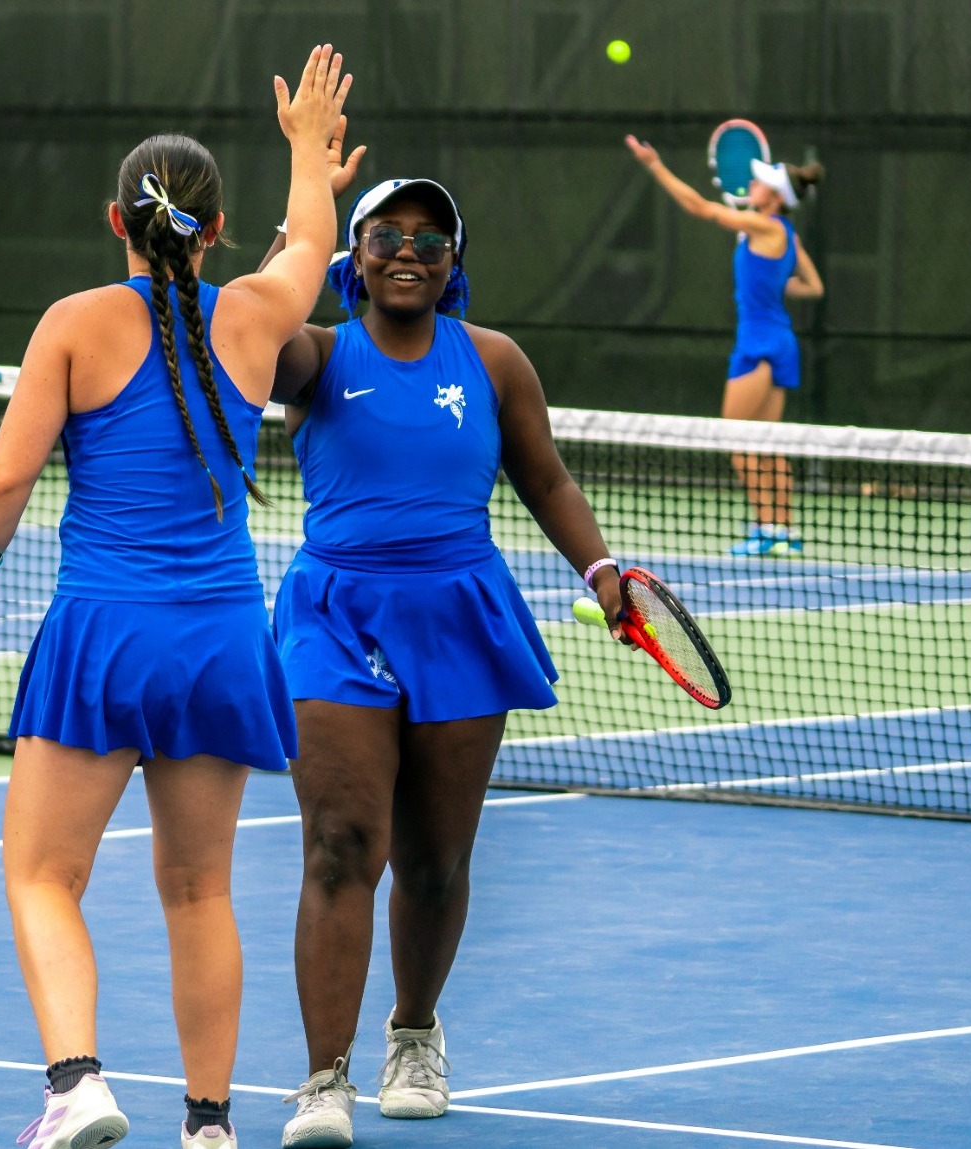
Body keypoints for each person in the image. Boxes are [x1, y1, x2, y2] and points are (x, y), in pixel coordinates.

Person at [0, 46, 353, 1149]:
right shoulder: (260, 316)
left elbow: (5, 484)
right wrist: (308, 148)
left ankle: (76, 1084)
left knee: (38, 873)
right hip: (218, 644)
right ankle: (208, 1127)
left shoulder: (73, 323)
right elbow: (312, 238)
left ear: (114, 220)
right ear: (214, 233)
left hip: (103, 639)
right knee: (197, 892)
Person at [259, 173, 630, 1147]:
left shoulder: (495, 363)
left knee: (434, 858)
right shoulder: (315, 355)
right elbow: (251, 334)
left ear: (453, 259)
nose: (408, 254)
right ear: (352, 255)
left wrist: (599, 571)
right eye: (386, 235)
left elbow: (543, 476)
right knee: (342, 842)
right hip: (333, 615)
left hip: (460, 614)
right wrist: (302, 199)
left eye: (430, 239)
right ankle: (323, 1079)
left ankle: (413, 1034)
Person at [627, 135, 824, 556]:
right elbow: (814, 286)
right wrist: (768, 287)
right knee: (768, 443)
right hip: (781, 341)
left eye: (760, 184)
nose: (751, 186)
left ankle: (766, 527)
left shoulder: (762, 224)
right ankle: (784, 530)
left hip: (757, 344)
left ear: (773, 198)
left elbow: (701, 208)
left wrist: (655, 166)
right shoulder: (786, 234)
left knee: (735, 442)